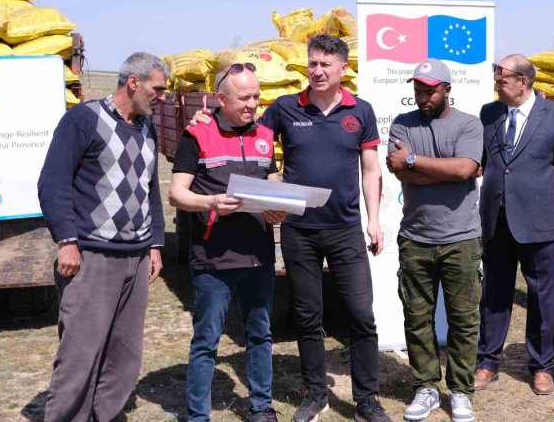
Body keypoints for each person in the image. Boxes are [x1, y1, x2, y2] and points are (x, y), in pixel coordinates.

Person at [191, 34, 390, 422]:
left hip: (345, 229)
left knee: (361, 314)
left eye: (325, 64)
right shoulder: (285, 107)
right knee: (307, 315)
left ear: (343, 68)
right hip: (299, 231)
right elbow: (246, 131)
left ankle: (367, 399)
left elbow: (370, 169)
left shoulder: (361, 111)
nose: (317, 71)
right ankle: (315, 394)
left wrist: (373, 220)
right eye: (312, 63)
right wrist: (208, 118)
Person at [37, 52, 169, 422]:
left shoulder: (147, 129)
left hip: (136, 258)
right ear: (133, 82)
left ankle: (106, 416)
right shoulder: (84, 119)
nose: (163, 97)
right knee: (80, 354)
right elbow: (53, 183)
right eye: (158, 88)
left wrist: (155, 244)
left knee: (125, 355)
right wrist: (67, 240)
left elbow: (150, 191)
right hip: (91, 257)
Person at [170, 63, 280, 422]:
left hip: (258, 255)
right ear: (221, 98)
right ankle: (198, 416)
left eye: (256, 97)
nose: (252, 104)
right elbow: (176, 194)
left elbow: (273, 186)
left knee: (260, 335)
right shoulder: (197, 135)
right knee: (207, 341)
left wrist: (279, 209)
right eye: (244, 98)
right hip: (214, 258)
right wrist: (211, 203)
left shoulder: (265, 135)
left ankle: (262, 407)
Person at [474, 54, 554, 397]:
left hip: (539, 222)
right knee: (494, 292)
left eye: (502, 78)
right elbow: (484, 162)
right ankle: (488, 361)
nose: (496, 84)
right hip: (496, 221)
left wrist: (548, 198)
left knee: (543, 296)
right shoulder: (489, 113)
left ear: (523, 81)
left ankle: (542, 366)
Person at [385, 59, 484, 422]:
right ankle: (425, 386)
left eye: (430, 91)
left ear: (447, 89)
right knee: (417, 317)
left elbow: (464, 168)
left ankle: (460, 391)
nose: (423, 98)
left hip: (462, 239)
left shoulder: (469, 124)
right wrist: (450, 171)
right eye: (418, 91)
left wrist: (414, 160)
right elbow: (400, 172)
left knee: (464, 320)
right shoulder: (402, 123)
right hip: (416, 237)